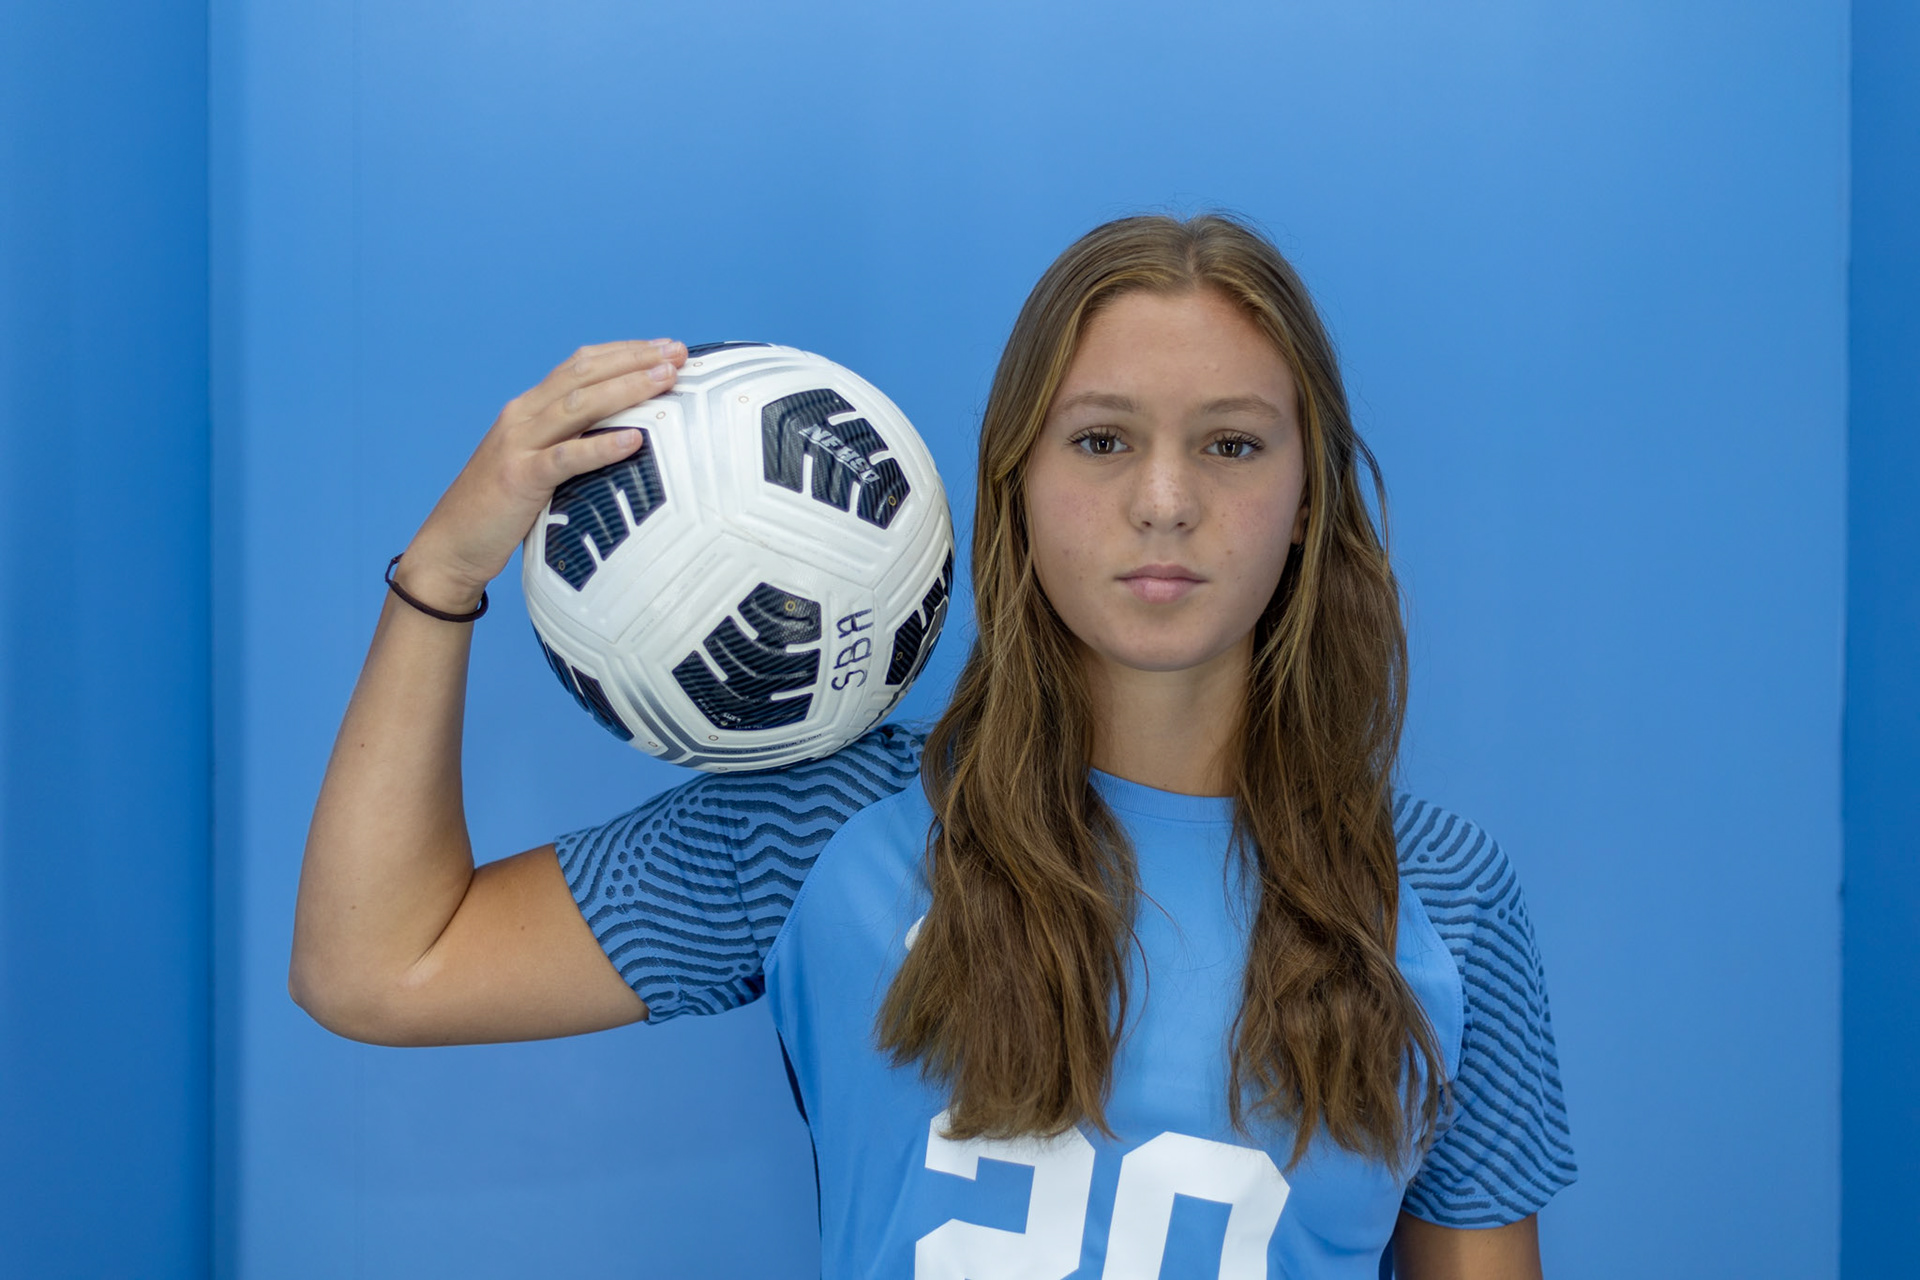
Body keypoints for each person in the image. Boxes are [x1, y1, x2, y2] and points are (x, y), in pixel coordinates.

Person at [292, 212, 1576, 1278]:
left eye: (1232, 444)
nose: (1166, 499)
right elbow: (378, 964)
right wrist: (446, 570)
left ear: (1306, 502)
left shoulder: (1444, 894)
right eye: (1102, 439)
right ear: (1013, 484)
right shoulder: (828, 825)